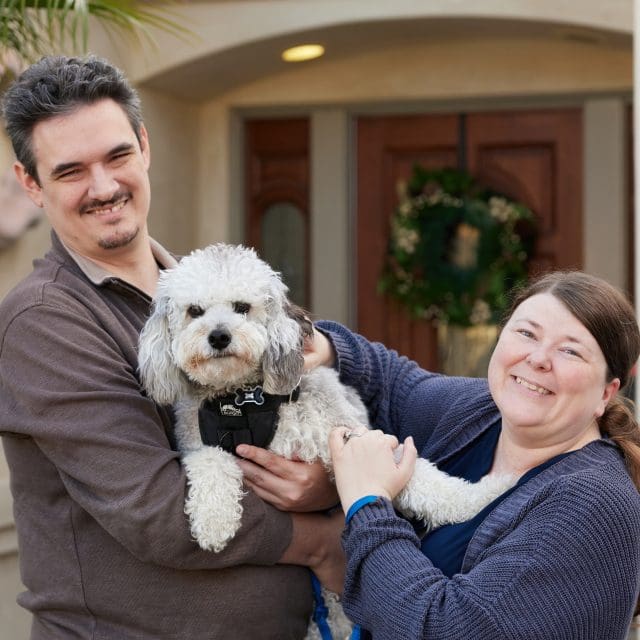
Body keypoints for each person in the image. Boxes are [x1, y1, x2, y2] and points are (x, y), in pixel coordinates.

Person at [0, 54, 343, 639]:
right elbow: (157, 512)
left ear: (144, 146)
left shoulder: (200, 296)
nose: (104, 187)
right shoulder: (44, 321)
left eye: (117, 156)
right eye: (70, 171)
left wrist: (329, 482)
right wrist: (327, 539)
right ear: (30, 183)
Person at [236, 271, 640, 639]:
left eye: (570, 351)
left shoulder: (596, 505)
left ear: (606, 392)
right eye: (527, 333)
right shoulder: (479, 413)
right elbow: (393, 383)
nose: (538, 359)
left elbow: (447, 629)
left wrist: (366, 503)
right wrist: (323, 346)